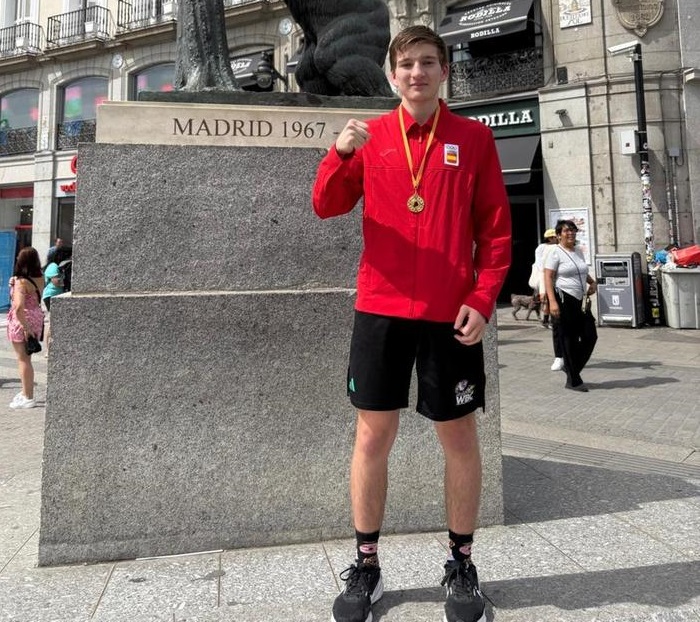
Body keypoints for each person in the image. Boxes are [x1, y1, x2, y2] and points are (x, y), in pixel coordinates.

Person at [312, 25, 511, 622]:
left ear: (444, 70)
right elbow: (325, 205)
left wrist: (483, 297)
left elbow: (495, 231)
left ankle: (462, 564)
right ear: (391, 74)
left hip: (450, 314)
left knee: (459, 438)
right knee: (372, 437)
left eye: (427, 62)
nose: (417, 73)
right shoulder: (370, 137)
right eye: (406, 64)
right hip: (381, 307)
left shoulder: (474, 139)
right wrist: (339, 154)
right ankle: (367, 566)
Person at [544, 219, 597, 392]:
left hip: (580, 300)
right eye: (566, 231)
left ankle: (571, 368)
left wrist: (592, 282)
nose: (571, 233)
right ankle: (573, 380)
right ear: (558, 235)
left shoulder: (578, 251)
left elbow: (581, 271)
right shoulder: (555, 252)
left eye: (573, 230)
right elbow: (548, 277)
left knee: (590, 335)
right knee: (568, 338)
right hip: (563, 298)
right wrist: (552, 302)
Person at [6, 247, 45, 409]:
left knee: (23, 359)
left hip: (23, 320)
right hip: (36, 317)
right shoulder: (40, 278)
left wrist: (25, 327)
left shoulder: (21, 282)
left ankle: (28, 396)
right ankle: (25, 392)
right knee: (26, 358)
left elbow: (18, 307)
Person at [534, 228, 565, 370]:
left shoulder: (568, 249)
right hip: (552, 288)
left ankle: (568, 355)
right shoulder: (543, 249)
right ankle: (559, 356)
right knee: (557, 324)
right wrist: (543, 291)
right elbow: (542, 271)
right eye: (554, 236)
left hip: (568, 291)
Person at [42, 245, 70, 357]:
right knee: (52, 321)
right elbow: (56, 281)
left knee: (55, 321)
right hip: (51, 295)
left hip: (56, 295)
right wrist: (65, 280)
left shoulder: (57, 266)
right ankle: (48, 350)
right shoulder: (53, 266)